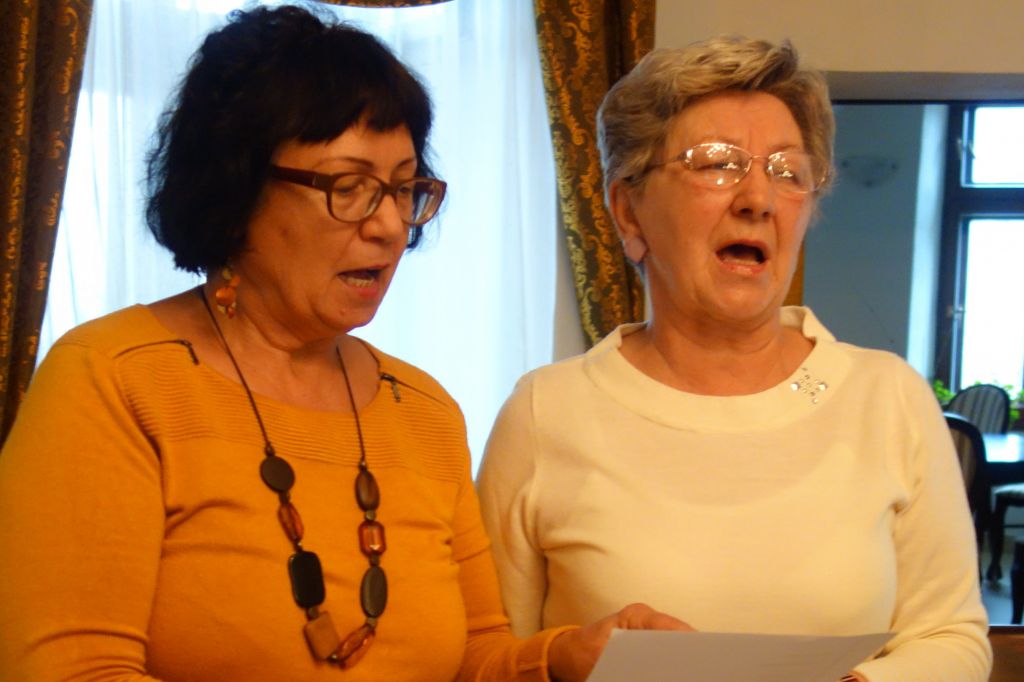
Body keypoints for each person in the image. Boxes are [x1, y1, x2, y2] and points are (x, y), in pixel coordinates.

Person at [0, 6, 688, 680]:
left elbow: (473, 656)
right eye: (349, 186)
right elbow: (69, 667)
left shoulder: (424, 411)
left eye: (403, 189)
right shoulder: (112, 379)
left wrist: (563, 657)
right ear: (237, 188)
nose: (389, 226)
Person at [477, 35, 992, 682]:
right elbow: (488, 659)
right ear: (628, 211)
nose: (758, 198)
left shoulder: (889, 397)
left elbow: (951, 637)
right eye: (717, 164)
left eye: (787, 171)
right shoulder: (544, 412)